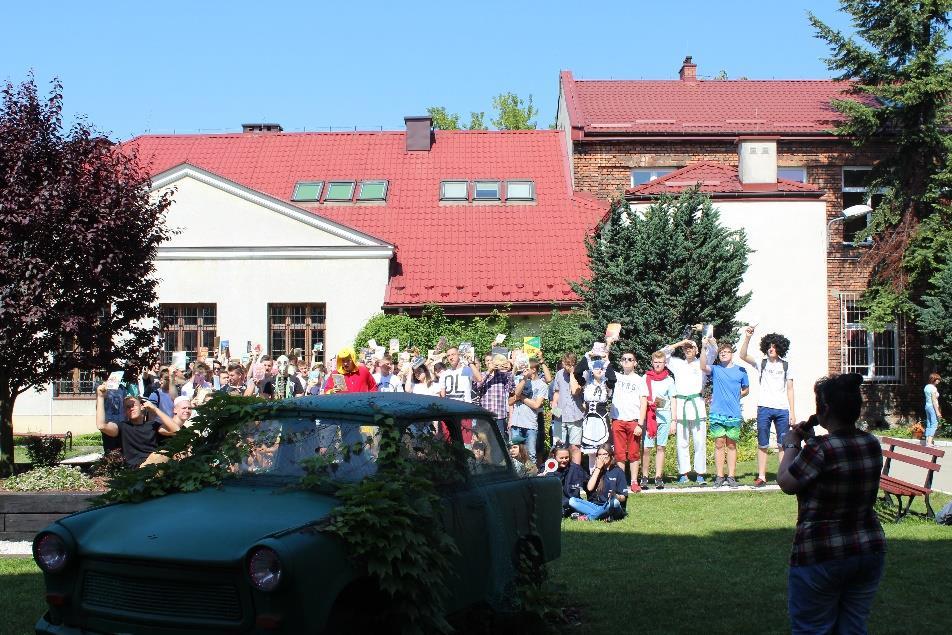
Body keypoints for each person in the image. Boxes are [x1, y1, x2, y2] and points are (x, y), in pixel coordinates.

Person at [778, 374, 886, 634]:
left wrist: (791, 445)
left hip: (821, 551)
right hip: (867, 547)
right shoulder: (871, 443)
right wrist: (810, 442)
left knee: (812, 629)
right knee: (853, 627)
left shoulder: (821, 448)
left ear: (823, 410)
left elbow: (786, 482)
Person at [740, 326, 796, 487]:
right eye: (769, 346)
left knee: (782, 444)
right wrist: (748, 337)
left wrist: (792, 412)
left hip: (782, 409)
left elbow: (790, 390)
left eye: (775, 346)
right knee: (763, 442)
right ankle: (762, 476)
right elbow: (742, 355)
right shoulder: (761, 363)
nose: (771, 349)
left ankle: (782, 476)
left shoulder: (786, 365)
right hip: (764, 407)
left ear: (780, 348)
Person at [700, 338, 750, 488]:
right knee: (719, 444)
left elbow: (746, 389)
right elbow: (702, 366)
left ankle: (732, 476)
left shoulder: (741, 371)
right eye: (721, 352)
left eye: (726, 352)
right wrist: (703, 347)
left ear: (731, 354)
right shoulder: (716, 369)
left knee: (732, 445)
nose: (723, 354)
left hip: (733, 413)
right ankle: (720, 476)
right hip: (717, 413)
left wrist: (736, 396)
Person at [95, 383, 179, 468]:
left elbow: (177, 431)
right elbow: (101, 426)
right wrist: (100, 397)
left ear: (142, 406)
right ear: (125, 412)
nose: (131, 408)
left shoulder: (153, 425)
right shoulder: (122, 427)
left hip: (155, 466)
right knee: (161, 455)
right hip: (137, 470)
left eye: (133, 405)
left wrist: (155, 409)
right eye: (128, 407)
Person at [663, 336, 709, 485]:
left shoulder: (702, 363)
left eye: (691, 347)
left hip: (697, 404)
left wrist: (703, 342)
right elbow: (662, 354)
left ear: (696, 350)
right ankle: (683, 472)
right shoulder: (677, 364)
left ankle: (700, 472)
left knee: (699, 441)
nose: (688, 350)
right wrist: (682, 342)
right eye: (686, 348)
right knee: (681, 441)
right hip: (681, 405)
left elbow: (712, 350)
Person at [610, 351, 647, 492]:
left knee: (633, 453)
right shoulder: (616, 377)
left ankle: (634, 481)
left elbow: (644, 403)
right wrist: (609, 343)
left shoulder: (639, 380)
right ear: (620, 362)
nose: (626, 361)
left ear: (635, 363)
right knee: (619, 453)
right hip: (618, 420)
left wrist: (640, 424)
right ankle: (621, 482)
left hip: (633, 421)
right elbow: (605, 363)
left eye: (630, 359)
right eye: (624, 359)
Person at [568, 444, 627, 521]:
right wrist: (598, 468)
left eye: (605, 454)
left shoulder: (618, 472)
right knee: (572, 501)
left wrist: (615, 496)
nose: (602, 457)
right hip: (596, 506)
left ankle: (588, 517)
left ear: (611, 455)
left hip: (611, 505)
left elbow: (623, 498)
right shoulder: (597, 471)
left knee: (615, 502)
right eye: (599, 455)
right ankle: (603, 515)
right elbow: (590, 488)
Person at [642, 351, 675, 489]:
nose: (657, 364)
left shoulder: (669, 380)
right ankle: (644, 476)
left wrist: (674, 420)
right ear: (652, 362)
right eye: (655, 362)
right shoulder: (646, 377)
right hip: (649, 416)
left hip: (664, 415)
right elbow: (641, 396)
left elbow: (673, 399)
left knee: (661, 447)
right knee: (646, 448)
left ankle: (658, 476)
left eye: (660, 362)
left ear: (664, 363)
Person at [508, 360, 548, 464]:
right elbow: (512, 398)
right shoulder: (520, 380)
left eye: (527, 368)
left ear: (534, 369)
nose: (523, 370)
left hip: (530, 425)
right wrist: (524, 378)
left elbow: (536, 405)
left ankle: (532, 477)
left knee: (531, 454)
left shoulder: (542, 385)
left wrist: (521, 397)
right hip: (516, 424)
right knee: (515, 454)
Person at [551, 353, 586, 465]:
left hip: (575, 416)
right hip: (559, 416)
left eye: (570, 365)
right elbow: (557, 392)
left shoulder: (581, 374)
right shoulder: (559, 374)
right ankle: (557, 472)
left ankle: (575, 472)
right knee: (557, 446)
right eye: (565, 364)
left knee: (575, 447)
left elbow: (575, 391)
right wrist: (554, 406)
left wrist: (572, 373)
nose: (567, 367)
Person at [474, 354, 515, 440]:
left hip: (500, 415)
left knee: (500, 441)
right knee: (485, 441)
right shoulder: (482, 375)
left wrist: (512, 370)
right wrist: (489, 371)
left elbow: (511, 390)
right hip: (486, 415)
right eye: (487, 361)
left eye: (491, 360)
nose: (490, 362)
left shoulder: (504, 375)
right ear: (485, 363)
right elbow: (478, 387)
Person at [551, 445, 589, 517]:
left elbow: (588, 486)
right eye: (561, 458)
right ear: (554, 457)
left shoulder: (576, 469)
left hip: (572, 502)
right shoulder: (547, 469)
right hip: (555, 503)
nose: (564, 460)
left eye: (566, 458)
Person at [924, 373, 942, 446]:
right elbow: (934, 400)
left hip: (927, 406)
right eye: (938, 379)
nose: (939, 381)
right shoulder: (933, 388)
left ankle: (927, 441)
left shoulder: (926, 387)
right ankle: (929, 442)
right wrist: (937, 412)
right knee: (934, 424)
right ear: (933, 379)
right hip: (932, 407)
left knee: (929, 423)